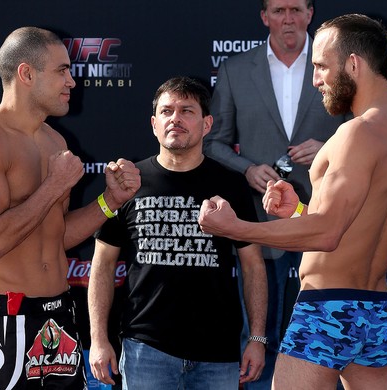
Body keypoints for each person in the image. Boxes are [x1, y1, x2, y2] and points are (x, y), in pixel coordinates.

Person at [198, 14, 387, 390]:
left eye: (321, 66)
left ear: (353, 64)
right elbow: (353, 227)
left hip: (328, 307)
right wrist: (298, 212)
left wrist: (235, 228)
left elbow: (326, 235)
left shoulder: (358, 133)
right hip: (375, 310)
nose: (315, 78)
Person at [0, 26, 141, 390]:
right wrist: (54, 185)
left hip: (59, 313)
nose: (72, 81)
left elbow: (57, 234)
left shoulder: (55, 141)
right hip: (5, 316)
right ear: (26, 73)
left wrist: (110, 201)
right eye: (62, 71)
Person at [87, 76, 268, 389]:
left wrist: (257, 338)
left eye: (187, 111)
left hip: (218, 352)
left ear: (207, 124)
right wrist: (98, 338)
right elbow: (102, 264)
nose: (176, 119)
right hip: (146, 349)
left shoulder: (231, 185)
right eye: (167, 111)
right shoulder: (128, 182)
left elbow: (252, 264)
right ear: (154, 124)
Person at [203, 1, 346, 386]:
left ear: (310, 14)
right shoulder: (235, 70)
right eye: (279, 10)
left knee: (324, 335)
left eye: (296, 9)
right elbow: (213, 142)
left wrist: (330, 145)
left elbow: (364, 129)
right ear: (264, 16)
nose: (289, 19)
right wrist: (246, 169)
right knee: (261, 332)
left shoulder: (338, 67)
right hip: (263, 220)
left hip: (324, 217)